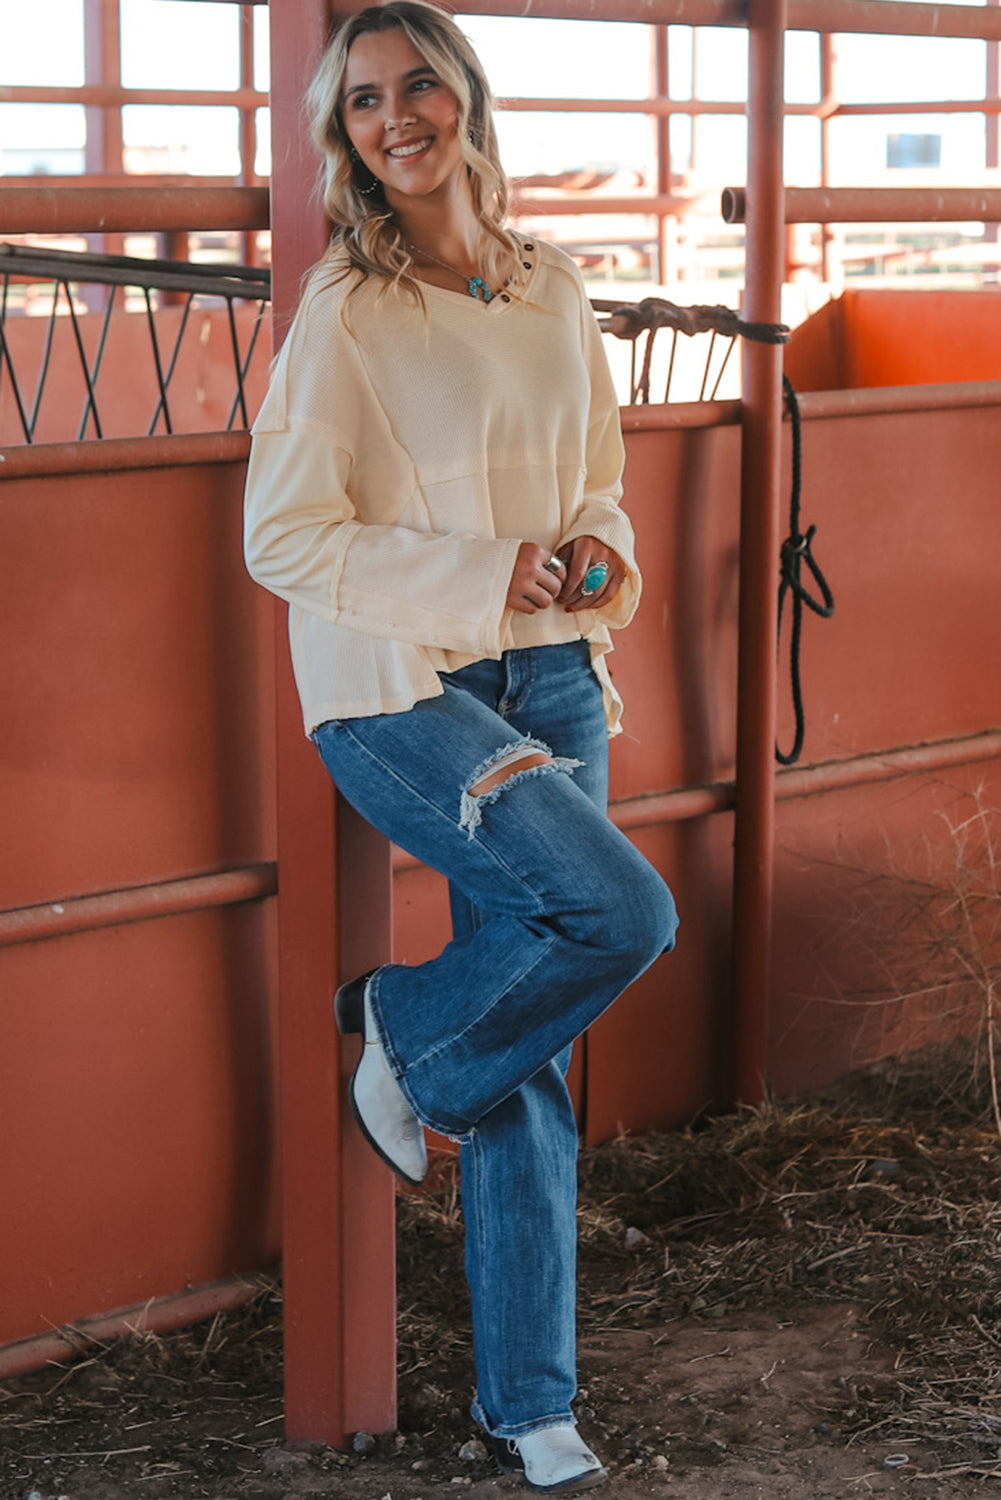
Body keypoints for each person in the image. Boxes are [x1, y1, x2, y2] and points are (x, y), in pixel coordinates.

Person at [244, 2, 678, 1488]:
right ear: (344, 135)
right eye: (362, 101)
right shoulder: (346, 312)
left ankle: (531, 1402)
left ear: (466, 98)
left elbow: (598, 482)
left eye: (416, 85)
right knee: (617, 915)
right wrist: (485, 573)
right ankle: (412, 1033)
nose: (394, 119)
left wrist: (595, 555)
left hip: (557, 672)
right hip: (403, 685)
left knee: (535, 1035)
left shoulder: (551, 286)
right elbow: (283, 536)